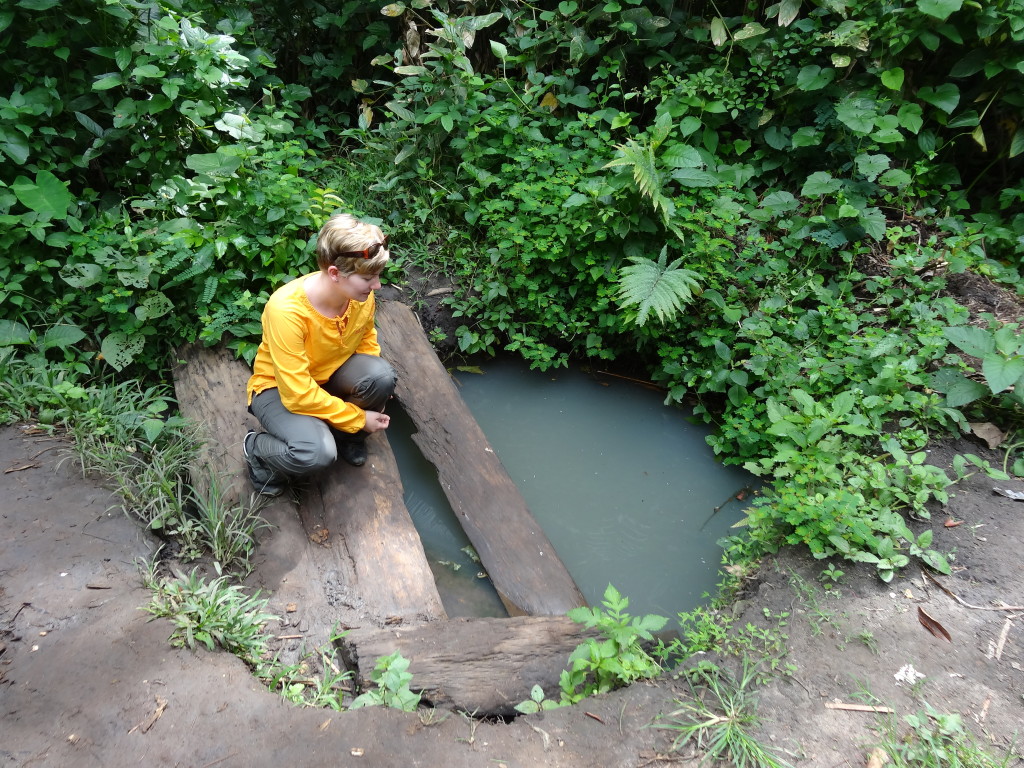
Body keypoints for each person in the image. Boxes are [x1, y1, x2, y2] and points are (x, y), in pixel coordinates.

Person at [243, 212, 397, 497]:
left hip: (328, 376)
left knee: (381, 376)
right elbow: (297, 393)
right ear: (335, 274)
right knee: (316, 453)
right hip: (279, 389)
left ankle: (345, 436)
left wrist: (372, 393)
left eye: (378, 276)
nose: (377, 285)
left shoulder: (359, 295)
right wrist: (358, 416)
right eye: (368, 278)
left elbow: (366, 340)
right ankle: (257, 450)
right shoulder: (287, 311)